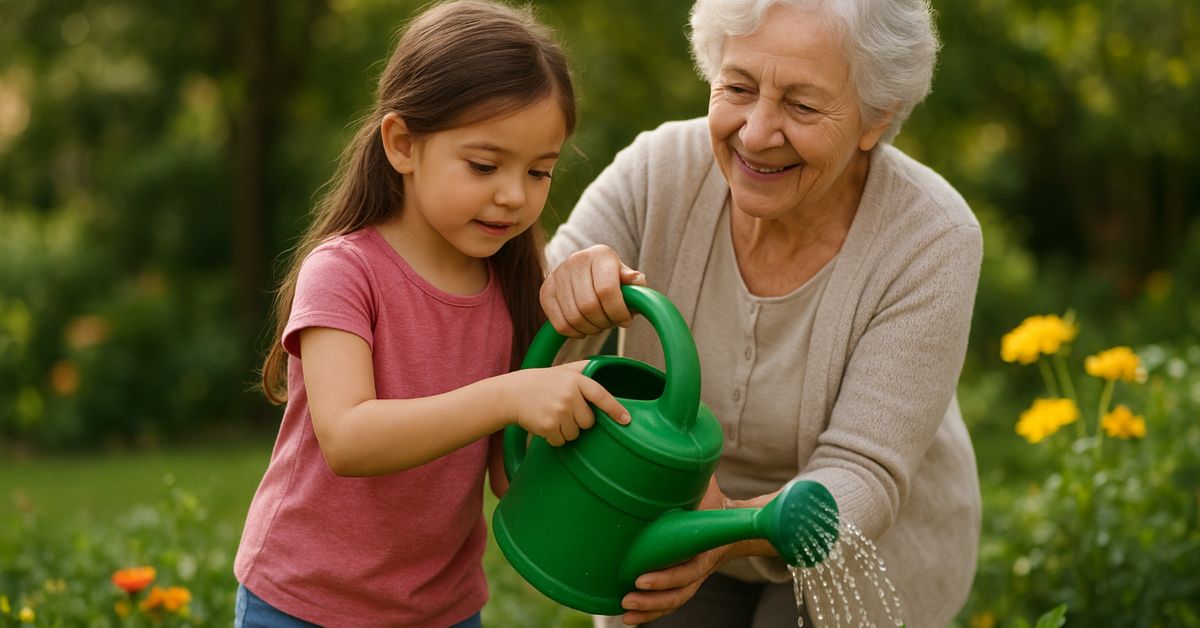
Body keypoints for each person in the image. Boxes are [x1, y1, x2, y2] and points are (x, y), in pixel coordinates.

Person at [541, 0, 982, 626]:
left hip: (857, 548)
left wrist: (729, 529)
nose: (755, 133)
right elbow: (525, 349)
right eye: (739, 88)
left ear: (875, 118)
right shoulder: (657, 171)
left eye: (802, 106)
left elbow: (863, 473)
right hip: (668, 522)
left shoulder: (931, 237)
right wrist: (569, 299)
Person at [232, 2, 629, 626]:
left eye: (539, 172)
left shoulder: (514, 283)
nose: (513, 195)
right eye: (484, 165)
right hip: (303, 604)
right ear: (402, 144)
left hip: (440, 609)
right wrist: (509, 395)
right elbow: (348, 437)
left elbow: (508, 476)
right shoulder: (345, 271)